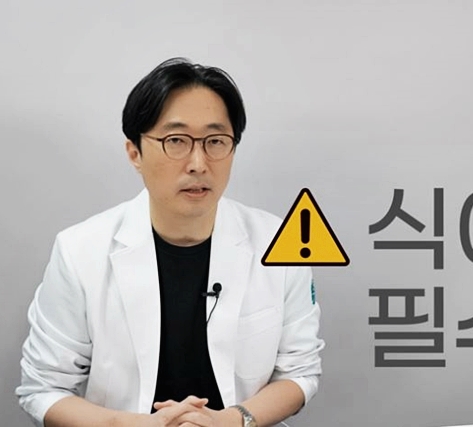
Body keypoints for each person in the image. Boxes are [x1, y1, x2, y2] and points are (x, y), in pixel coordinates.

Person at [16, 58, 324, 427]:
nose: (198, 163)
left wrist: (231, 421)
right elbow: (43, 389)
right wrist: (132, 425)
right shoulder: (80, 251)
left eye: (215, 141)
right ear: (135, 153)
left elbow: (299, 371)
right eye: (176, 141)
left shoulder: (279, 244)